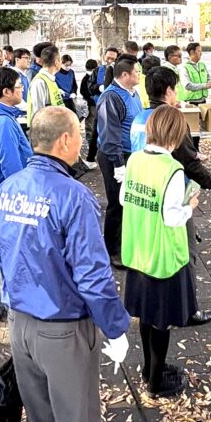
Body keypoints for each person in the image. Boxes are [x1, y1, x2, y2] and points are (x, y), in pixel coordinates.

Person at [0, 107, 131, 422]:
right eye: (78, 136)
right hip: (63, 330)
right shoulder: (73, 196)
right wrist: (116, 327)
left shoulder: (10, 188)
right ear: (66, 142)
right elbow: (92, 273)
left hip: (21, 325)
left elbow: (5, 254)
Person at [130, 66, 211, 327]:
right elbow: (188, 163)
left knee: (147, 252)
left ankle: (148, 305)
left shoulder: (140, 118)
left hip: (144, 193)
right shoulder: (170, 120)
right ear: (169, 90)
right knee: (185, 252)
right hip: (173, 194)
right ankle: (186, 309)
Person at [122, 105, 202, 398]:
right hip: (164, 256)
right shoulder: (172, 169)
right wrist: (189, 206)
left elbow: (124, 196)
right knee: (162, 321)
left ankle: (148, 367)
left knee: (145, 314)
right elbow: (171, 217)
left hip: (138, 249)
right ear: (176, 135)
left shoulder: (134, 160)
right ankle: (156, 382)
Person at [95, 56, 143, 265]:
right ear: (125, 75)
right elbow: (109, 134)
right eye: (136, 72)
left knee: (130, 202)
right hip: (115, 155)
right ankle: (113, 251)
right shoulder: (112, 97)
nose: (139, 75)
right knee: (117, 203)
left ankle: (127, 243)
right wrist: (118, 164)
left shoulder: (133, 93)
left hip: (131, 153)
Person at [0, 67, 32, 191]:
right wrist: (22, 191)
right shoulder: (3, 122)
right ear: (6, 92)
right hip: (9, 190)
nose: (23, 89)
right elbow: (11, 165)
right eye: (19, 86)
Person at [25, 45, 64, 124]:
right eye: (60, 61)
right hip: (44, 131)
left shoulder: (50, 79)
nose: (61, 64)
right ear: (56, 62)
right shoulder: (39, 82)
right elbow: (39, 112)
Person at [79, 59, 101, 160]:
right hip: (90, 104)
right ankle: (89, 141)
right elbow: (83, 91)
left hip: (96, 103)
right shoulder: (86, 78)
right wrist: (90, 98)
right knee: (90, 124)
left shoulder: (96, 77)